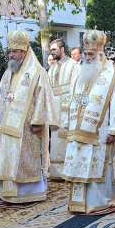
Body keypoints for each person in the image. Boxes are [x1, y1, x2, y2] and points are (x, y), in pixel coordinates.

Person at [0, 30, 58, 208]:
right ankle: (7, 194)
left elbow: (44, 98)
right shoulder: (8, 72)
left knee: (24, 160)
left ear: (24, 51)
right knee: (8, 159)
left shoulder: (37, 72)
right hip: (7, 126)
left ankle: (29, 194)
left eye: (15, 51)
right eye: (10, 51)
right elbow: (4, 96)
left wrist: (39, 121)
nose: (11, 54)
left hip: (27, 127)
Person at [62, 30, 115, 214]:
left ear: (101, 54)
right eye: (86, 54)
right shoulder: (79, 75)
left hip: (100, 132)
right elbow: (73, 99)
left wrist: (114, 130)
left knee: (99, 167)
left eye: (91, 54)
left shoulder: (112, 76)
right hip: (78, 131)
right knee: (79, 164)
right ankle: (78, 203)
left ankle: (101, 201)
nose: (87, 58)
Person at [47, 38, 79, 180]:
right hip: (55, 111)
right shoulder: (52, 69)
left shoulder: (74, 66)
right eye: (50, 49)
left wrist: (72, 111)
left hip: (68, 110)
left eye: (54, 49)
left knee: (67, 142)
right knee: (55, 141)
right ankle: (56, 173)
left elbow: (76, 89)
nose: (51, 52)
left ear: (62, 49)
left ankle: (69, 172)